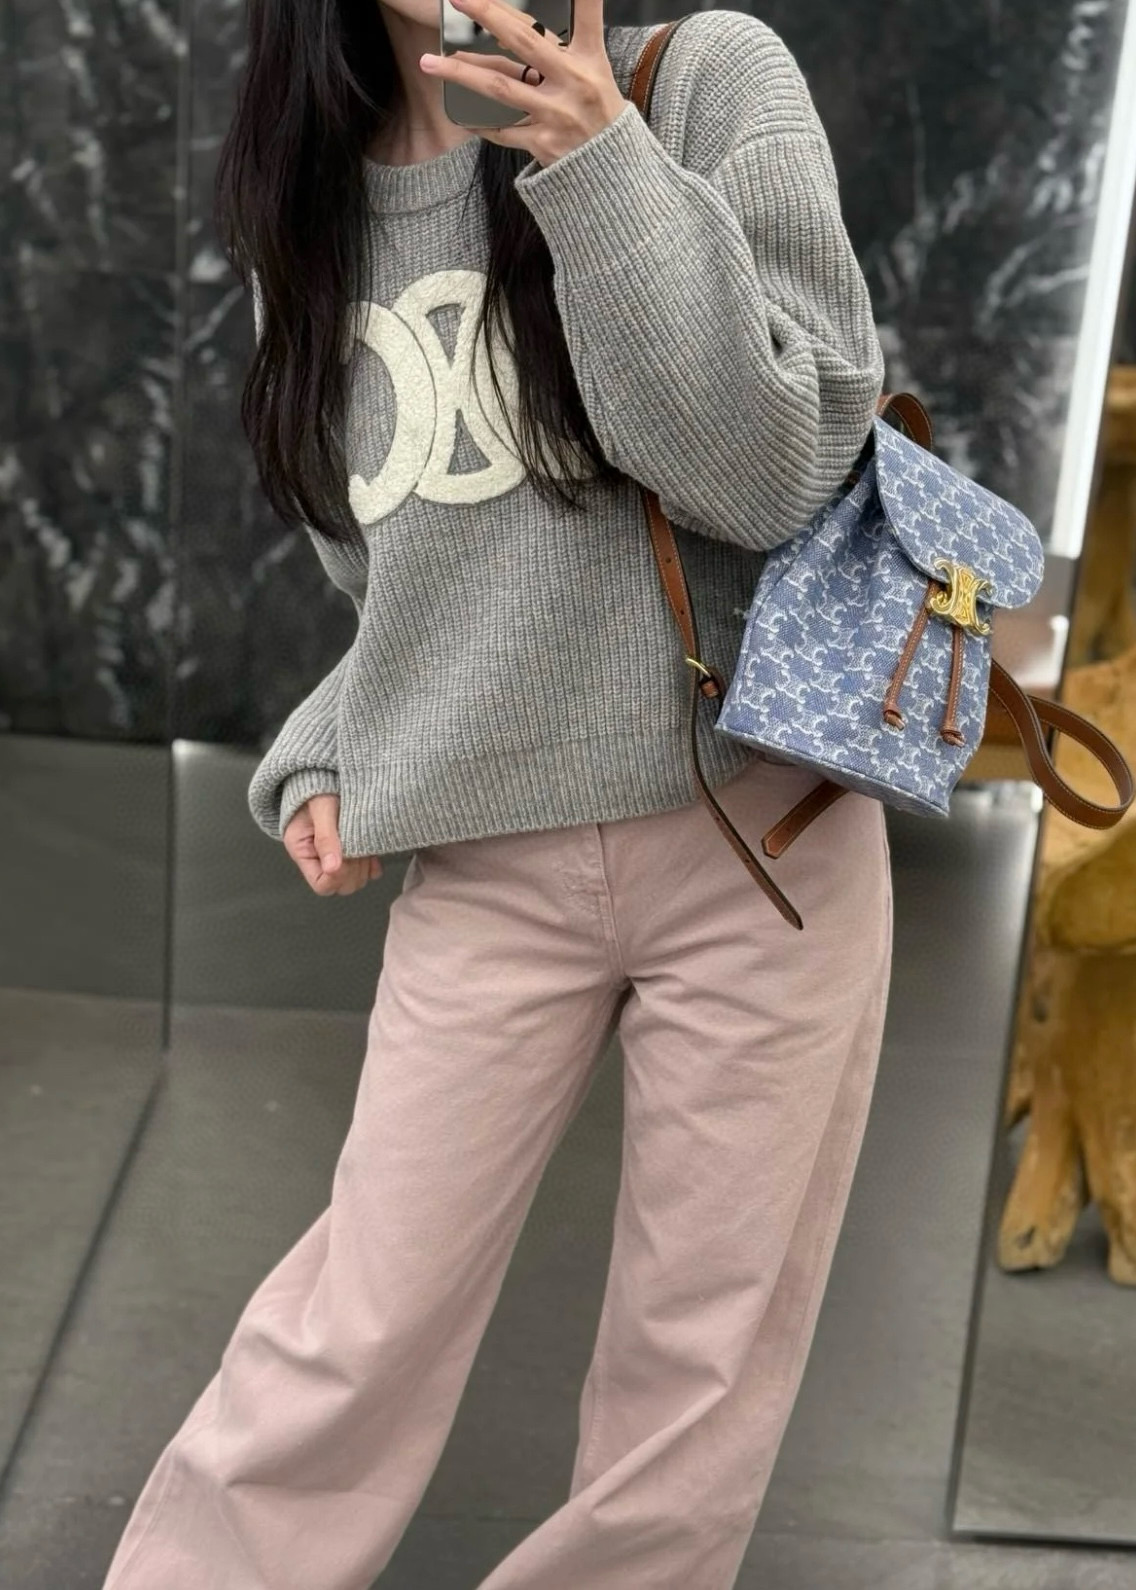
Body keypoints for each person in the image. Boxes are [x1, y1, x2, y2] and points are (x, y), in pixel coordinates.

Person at [102, 1, 892, 1585]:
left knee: (693, 1393)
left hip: (763, 840)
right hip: (489, 868)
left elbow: (770, 474)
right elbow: (392, 564)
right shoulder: (312, 198)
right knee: (355, 1327)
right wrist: (339, 736)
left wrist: (596, 157)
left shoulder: (709, 81)